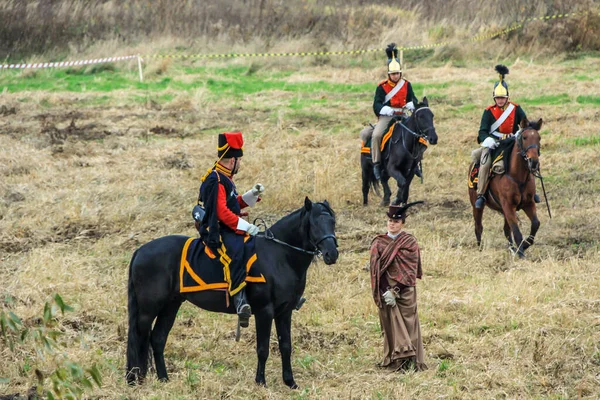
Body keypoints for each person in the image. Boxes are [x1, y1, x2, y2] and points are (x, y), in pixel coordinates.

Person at [198, 131, 264, 327]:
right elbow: (221, 212)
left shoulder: (225, 177)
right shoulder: (215, 179)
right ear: (232, 160)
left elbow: (231, 204)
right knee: (235, 253)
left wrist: (251, 195)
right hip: (216, 230)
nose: (240, 164)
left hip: (227, 225)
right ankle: (240, 300)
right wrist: (245, 226)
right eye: (239, 160)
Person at [369, 202, 426, 372]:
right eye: (390, 221)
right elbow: (375, 271)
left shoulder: (409, 242)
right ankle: (394, 361)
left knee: (409, 325)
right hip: (385, 290)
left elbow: (411, 270)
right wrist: (386, 290)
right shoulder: (378, 243)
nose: (392, 224)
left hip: (405, 290)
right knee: (390, 325)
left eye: (396, 221)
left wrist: (396, 291)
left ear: (402, 223)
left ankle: (412, 362)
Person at [474, 65, 539, 209]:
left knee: (529, 158)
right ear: (494, 97)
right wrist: (488, 140)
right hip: (494, 144)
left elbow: (525, 125)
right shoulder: (488, 112)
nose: (500, 100)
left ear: (507, 97)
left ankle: (532, 191)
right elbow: (482, 131)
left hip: (512, 142)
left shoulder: (516, 108)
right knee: (485, 163)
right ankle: (481, 194)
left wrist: (520, 133)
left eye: (502, 98)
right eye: (498, 98)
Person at [360, 43, 418, 181]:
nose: (396, 76)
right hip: (388, 116)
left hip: (403, 114)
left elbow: (413, 99)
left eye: (397, 73)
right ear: (389, 75)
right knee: (376, 135)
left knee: (416, 134)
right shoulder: (382, 87)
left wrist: (411, 104)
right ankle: (376, 163)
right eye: (393, 74)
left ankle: (415, 164)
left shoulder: (406, 85)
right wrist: (384, 109)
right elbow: (376, 104)